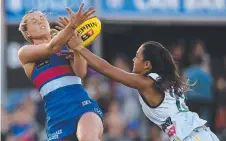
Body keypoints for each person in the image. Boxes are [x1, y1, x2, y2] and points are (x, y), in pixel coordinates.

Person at [57, 23, 219, 140]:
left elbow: (107, 70)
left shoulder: (147, 82)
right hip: (201, 134)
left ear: (147, 64)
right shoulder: (163, 81)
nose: (134, 59)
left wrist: (80, 48)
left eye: (137, 56)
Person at [18, 3, 103, 141]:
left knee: (88, 138)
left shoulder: (66, 45)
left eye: (42, 18)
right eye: (34, 21)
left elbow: (81, 73)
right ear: (27, 33)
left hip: (82, 106)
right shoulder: (25, 53)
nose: (40, 21)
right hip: (57, 116)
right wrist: (72, 26)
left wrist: (77, 47)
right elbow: (50, 48)